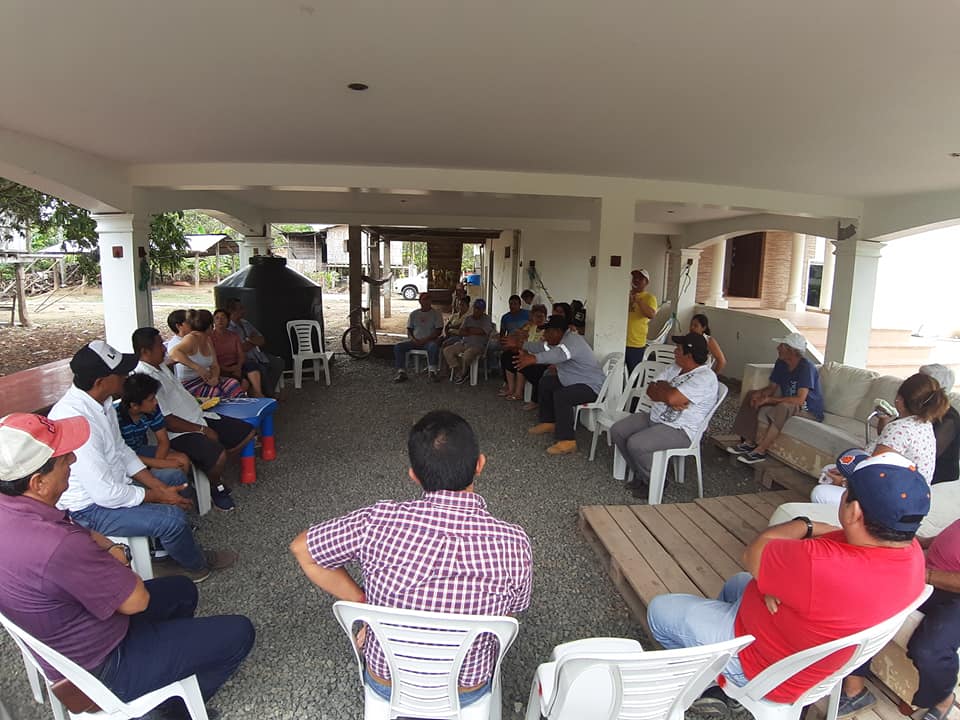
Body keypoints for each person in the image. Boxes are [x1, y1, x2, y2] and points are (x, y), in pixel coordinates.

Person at [0, 413, 254, 718]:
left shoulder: (17, 510)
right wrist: (119, 554)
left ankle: (163, 667)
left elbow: (78, 530)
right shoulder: (56, 545)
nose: (73, 460)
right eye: (64, 459)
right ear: (38, 482)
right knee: (240, 633)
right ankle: (168, 711)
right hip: (102, 664)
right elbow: (136, 601)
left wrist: (108, 546)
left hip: (67, 638)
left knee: (183, 590)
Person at [647, 449, 929, 714]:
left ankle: (716, 678)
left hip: (764, 668)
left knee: (660, 610)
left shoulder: (819, 562)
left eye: (846, 489)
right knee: (738, 583)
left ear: (854, 512)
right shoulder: (912, 554)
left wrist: (805, 524)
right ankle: (716, 675)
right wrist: (774, 581)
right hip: (806, 658)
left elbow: (754, 551)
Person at [289, 410, 532, 706]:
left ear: (414, 475)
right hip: (467, 689)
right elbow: (512, 612)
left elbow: (302, 549)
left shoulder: (377, 521)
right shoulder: (514, 542)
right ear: (480, 464)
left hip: (387, 682)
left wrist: (364, 602)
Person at [48, 341, 237, 582]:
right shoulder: (76, 420)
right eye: (120, 373)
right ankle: (194, 565)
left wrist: (158, 488)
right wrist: (157, 495)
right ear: (101, 382)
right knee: (173, 520)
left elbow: (122, 451)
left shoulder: (102, 403)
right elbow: (105, 494)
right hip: (89, 508)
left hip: (115, 484)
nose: (127, 376)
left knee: (173, 478)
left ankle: (163, 548)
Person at [837, 516, 960, 720]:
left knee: (929, 650)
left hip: (953, 594)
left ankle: (943, 699)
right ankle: (855, 691)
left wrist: (924, 574)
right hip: (932, 575)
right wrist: (920, 542)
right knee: (864, 599)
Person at [134, 327, 257, 513]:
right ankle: (215, 486)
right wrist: (201, 430)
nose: (165, 348)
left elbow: (175, 363)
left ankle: (210, 469)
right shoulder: (145, 378)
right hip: (179, 431)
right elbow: (167, 421)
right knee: (218, 454)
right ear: (145, 351)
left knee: (247, 432)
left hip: (199, 416)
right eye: (160, 345)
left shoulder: (159, 366)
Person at [610, 333, 718, 497]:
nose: (674, 351)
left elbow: (670, 397)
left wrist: (666, 393)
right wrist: (669, 395)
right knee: (618, 431)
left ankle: (655, 481)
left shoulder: (705, 377)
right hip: (655, 416)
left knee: (636, 444)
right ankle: (642, 474)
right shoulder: (675, 367)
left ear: (689, 355)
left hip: (680, 429)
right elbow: (651, 389)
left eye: (678, 349)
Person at [812, 373, 948, 503]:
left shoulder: (900, 428)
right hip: (910, 494)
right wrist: (847, 471)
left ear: (900, 400)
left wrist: (843, 482)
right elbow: (885, 451)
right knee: (829, 469)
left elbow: (874, 475)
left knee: (820, 493)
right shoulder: (924, 423)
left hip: (890, 500)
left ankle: (852, 516)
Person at [726, 332, 824, 464]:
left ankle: (760, 451)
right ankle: (748, 441)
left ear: (792, 350)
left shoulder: (806, 367)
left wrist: (769, 400)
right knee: (752, 395)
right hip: (790, 401)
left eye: (781, 346)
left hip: (808, 409)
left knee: (783, 407)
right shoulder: (781, 363)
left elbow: (800, 400)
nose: (777, 348)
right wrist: (760, 394)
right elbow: (772, 388)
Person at [515, 314, 606, 455]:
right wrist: (522, 345)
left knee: (562, 396)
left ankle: (567, 441)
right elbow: (544, 348)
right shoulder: (559, 341)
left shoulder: (572, 341)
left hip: (591, 386)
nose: (544, 335)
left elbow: (559, 355)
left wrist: (533, 359)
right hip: (574, 381)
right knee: (546, 382)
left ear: (557, 331)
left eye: (547, 332)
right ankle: (549, 422)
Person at [118, 373, 193, 488]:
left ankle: (181, 491)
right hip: (123, 460)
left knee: (182, 460)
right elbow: (122, 455)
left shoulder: (152, 410)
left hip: (140, 450)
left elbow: (163, 441)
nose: (156, 402)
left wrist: (157, 465)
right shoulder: (116, 419)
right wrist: (159, 463)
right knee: (171, 472)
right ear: (134, 405)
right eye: (151, 399)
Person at [170, 309, 245, 399]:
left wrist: (215, 377)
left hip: (205, 379)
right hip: (189, 383)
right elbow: (174, 352)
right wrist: (198, 368)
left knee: (233, 384)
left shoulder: (208, 340)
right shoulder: (191, 338)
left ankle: (241, 406)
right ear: (210, 327)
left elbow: (214, 365)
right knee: (217, 394)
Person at [225, 298, 285, 398]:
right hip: (245, 358)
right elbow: (241, 348)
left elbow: (262, 340)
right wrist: (253, 340)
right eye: (241, 308)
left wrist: (249, 341)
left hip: (258, 355)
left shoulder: (246, 323)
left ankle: (266, 392)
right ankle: (268, 396)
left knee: (278, 363)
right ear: (232, 311)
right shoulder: (229, 328)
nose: (244, 310)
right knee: (262, 369)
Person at [502, 303, 548, 409]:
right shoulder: (532, 328)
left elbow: (543, 348)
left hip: (541, 359)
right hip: (529, 355)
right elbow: (523, 340)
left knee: (522, 364)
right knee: (507, 356)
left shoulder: (547, 331)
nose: (538, 319)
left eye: (541, 316)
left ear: (545, 317)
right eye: (536, 316)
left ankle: (522, 394)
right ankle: (511, 388)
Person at [920, 364, 960, 484]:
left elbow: (928, 456)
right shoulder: (919, 407)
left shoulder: (949, 418)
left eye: (922, 381)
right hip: (914, 465)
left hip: (939, 474)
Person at [211, 308, 264, 397]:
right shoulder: (210, 337)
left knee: (252, 366)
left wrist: (238, 367)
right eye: (217, 318)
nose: (220, 320)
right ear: (213, 321)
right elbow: (212, 361)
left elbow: (241, 354)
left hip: (236, 364)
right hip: (221, 368)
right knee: (244, 383)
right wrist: (228, 369)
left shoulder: (234, 336)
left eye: (223, 318)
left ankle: (258, 393)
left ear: (228, 320)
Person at [393, 292, 444, 383]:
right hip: (415, 341)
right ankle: (401, 372)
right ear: (420, 301)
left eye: (429, 299)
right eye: (424, 299)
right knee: (398, 346)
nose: (427, 301)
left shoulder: (436, 314)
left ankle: (432, 371)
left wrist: (426, 339)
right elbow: (409, 329)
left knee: (433, 347)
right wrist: (413, 339)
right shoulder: (414, 314)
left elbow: (438, 331)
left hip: (429, 341)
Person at [442, 298, 495, 384]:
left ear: (483, 310)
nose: (476, 310)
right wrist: (474, 331)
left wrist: (469, 330)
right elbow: (461, 331)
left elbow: (483, 331)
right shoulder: (468, 319)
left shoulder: (486, 319)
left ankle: (463, 373)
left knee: (466, 355)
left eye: (479, 308)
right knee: (447, 350)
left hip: (477, 346)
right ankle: (460, 370)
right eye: (475, 308)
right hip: (464, 343)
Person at [625, 269, 658, 373]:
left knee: (633, 373)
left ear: (646, 282)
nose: (636, 280)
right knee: (618, 373)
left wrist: (639, 301)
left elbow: (651, 315)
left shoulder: (649, 298)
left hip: (635, 344)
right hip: (620, 340)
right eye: (635, 277)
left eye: (640, 278)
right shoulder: (625, 295)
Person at [498, 295, 531, 399]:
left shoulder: (527, 314)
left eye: (515, 304)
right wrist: (504, 344)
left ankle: (518, 390)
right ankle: (509, 386)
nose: (512, 306)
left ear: (520, 305)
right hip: (511, 345)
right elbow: (502, 334)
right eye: (511, 304)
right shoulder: (505, 317)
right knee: (505, 356)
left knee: (520, 358)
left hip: (524, 345)